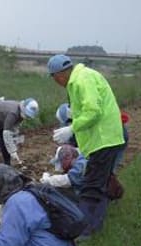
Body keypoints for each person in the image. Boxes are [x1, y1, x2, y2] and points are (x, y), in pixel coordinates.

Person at [47, 54, 125, 236]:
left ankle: (84, 232)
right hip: (103, 139)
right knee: (100, 183)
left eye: (54, 78)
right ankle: (95, 225)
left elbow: (93, 111)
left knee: (90, 187)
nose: (56, 82)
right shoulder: (80, 79)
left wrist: (72, 128)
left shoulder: (82, 80)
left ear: (58, 75)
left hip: (103, 140)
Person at [0, 97, 39, 167]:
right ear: (24, 109)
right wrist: (13, 151)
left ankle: (7, 165)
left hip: (1, 120)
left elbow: (13, 130)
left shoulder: (21, 115)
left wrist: (14, 142)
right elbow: (6, 133)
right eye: (27, 115)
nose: (27, 117)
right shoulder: (13, 113)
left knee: (5, 144)